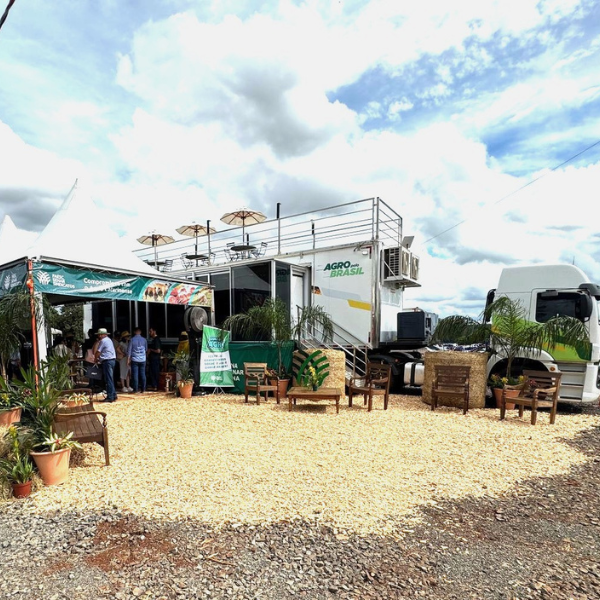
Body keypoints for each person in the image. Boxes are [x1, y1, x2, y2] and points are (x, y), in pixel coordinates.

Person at [94, 328, 117, 402]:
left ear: (102, 335)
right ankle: (113, 394)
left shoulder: (103, 341)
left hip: (107, 361)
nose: (99, 336)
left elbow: (98, 352)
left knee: (108, 379)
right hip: (112, 360)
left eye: (100, 334)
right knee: (110, 378)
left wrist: (96, 358)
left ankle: (110, 396)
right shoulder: (109, 340)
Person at [128, 327, 147, 394]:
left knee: (135, 374)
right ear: (140, 332)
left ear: (134, 332)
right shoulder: (144, 340)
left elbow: (129, 350)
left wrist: (128, 359)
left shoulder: (132, 340)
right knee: (143, 374)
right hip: (142, 359)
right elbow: (146, 349)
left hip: (135, 358)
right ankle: (143, 389)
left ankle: (135, 389)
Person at [147, 326, 162, 391]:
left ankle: (155, 386)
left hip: (155, 359)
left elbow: (158, 350)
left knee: (154, 372)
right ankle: (154, 385)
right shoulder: (154, 340)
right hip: (152, 359)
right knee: (152, 372)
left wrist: (151, 350)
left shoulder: (156, 340)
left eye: (150, 331)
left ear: (154, 331)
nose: (149, 333)